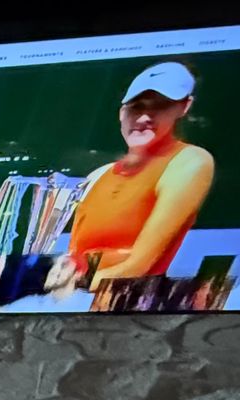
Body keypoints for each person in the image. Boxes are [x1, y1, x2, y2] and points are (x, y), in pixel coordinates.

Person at [69, 61, 215, 288]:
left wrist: (62, 291)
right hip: (73, 301)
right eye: (136, 107)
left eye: (160, 106)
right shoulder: (98, 175)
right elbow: (72, 261)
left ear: (184, 107)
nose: (145, 117)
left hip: (123, 303)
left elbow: (138, 267)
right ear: (122, 113)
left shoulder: (190, 161)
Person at [0, 253, 93, 312]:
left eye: (63, 265)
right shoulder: (34, 302)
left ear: (77, 275)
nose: (54, 270)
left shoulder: (89, 302)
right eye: (54, 264)